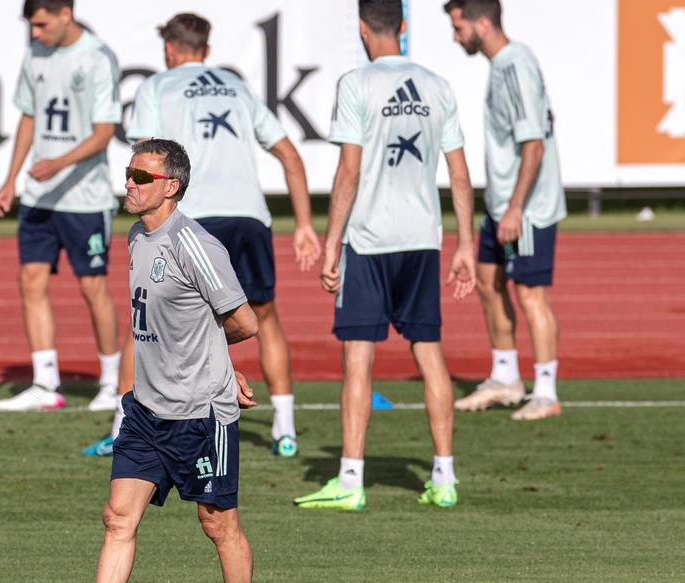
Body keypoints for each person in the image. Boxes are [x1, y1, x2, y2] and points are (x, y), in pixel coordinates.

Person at [30, 140, 264, 583]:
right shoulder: (136, 237)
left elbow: (244, 323)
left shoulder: (196, 245)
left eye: (141, 175)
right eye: (129, 172)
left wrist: (218, 366)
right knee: (117, 517)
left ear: (171, 186)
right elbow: (159, 328)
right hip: (146, 411)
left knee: (219, 525)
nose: (129, 182)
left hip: (202, 415)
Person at [82, 12, 321, 460]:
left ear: (170, 49)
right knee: (265, 317)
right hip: (250, 217)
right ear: (206, 50)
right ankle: (284, 430)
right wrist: (305, 223)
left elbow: (147, 157)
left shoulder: (157, 87)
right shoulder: (238, 87)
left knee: (145, 319)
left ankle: (121, 427)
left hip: (193, 221)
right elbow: (289, 154)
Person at [293, 0, 476, 511]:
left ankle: (351, 480)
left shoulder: (356, 84)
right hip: (422, 239)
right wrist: (464, 243)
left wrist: (331, 242)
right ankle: (444, 477)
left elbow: (348, 172)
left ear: (360, 27)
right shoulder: (438, 85)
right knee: (430, 354)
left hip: (370, 240)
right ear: (403, 26)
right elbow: (459, 174)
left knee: (358, 358)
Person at [0, 0, 121, 413]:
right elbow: (29, 117)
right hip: (39, 196)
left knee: (91, 286)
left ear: (66, 14)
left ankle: (112, 382)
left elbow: (103, 134)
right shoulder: (36, 54)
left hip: (85, 198)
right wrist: (12, 178)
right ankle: (46, 383)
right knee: (30, 279)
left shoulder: (98, 58)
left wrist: (59, 164)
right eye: (32, 26)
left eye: (42, 24)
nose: (36, 33)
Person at [444, 0, 566, 421]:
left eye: (458, 27)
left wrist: (516, 208)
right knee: (487, 281)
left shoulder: (515, 65)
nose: (455, 36)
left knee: (530, 293)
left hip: (526, 208)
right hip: (502, 204)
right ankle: (505, 378)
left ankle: (546, 392)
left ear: (482, 22)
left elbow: (534, 143)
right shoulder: (502, 66)